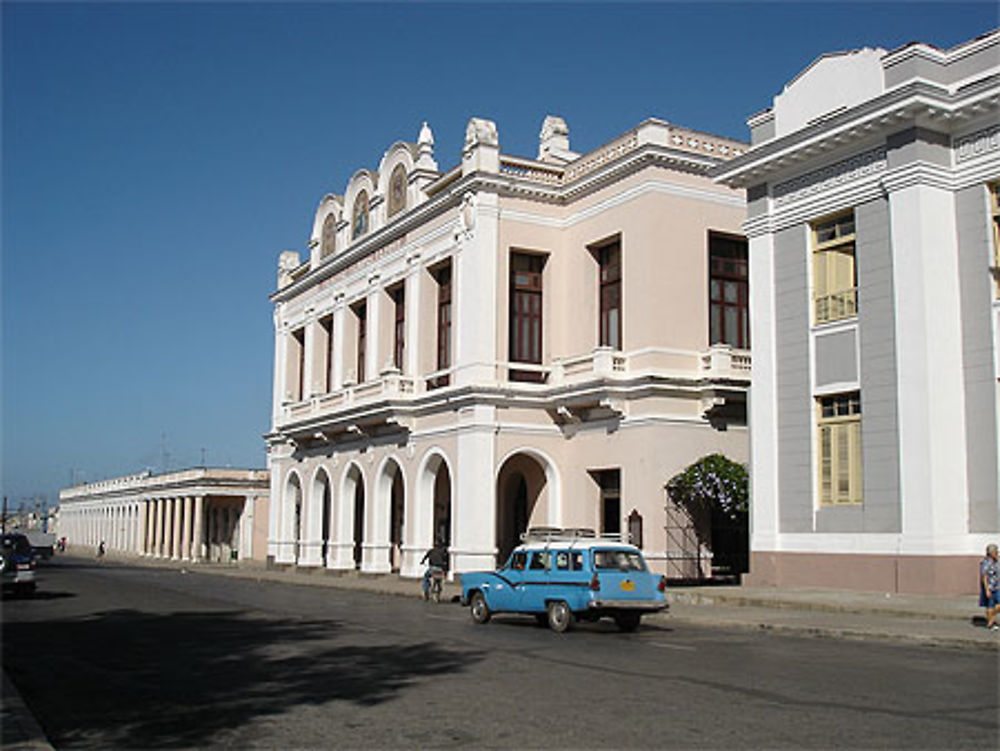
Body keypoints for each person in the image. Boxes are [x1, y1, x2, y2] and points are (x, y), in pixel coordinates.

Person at [980, 543, 999, 631]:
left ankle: (991, 619)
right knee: (990, 605)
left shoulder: (996, 561)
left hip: (997, 586)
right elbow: (984, 576)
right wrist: (986, 589)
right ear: (991, 553)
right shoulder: (986, 562)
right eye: (996, 552)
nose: (997, 553)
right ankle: (990, 623)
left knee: (997, 606)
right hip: (990, 587)